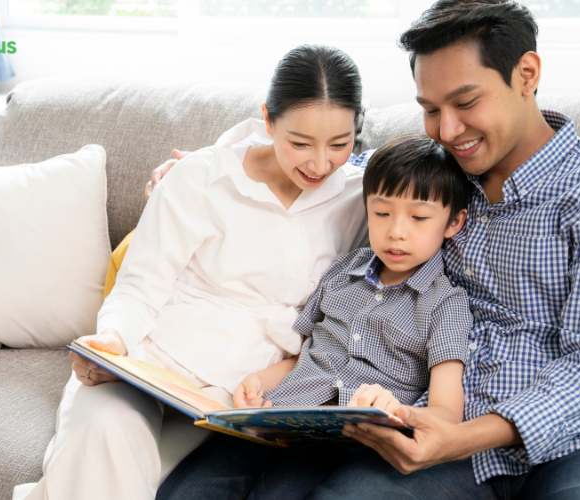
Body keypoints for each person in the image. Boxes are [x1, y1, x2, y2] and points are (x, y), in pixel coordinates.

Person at [148, 1, 580, 498]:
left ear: (526, 74)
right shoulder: (432, 174)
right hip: (438, 437)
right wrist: (203, 173)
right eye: (430, 110)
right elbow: (327, 160)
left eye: (465, 103)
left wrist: (461, 436)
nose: (447, 130)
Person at [11, 44, 372, 500]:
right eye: (299, 143)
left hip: (239, 398)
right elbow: (140, 286)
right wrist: (113, 341)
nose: (320, 164)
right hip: (154, 363)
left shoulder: (365, 200)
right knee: (105, 431)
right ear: (267, 120)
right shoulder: (201, 177)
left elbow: (418, 188)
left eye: (339, 144)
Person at [157, 133, 475, 500]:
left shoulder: (446, 304)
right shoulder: (342, 271)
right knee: (184, 491)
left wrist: (397, 412)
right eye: (382, 213)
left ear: (453, 222)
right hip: (276, 419)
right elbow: (302, 356)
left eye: (419, 218)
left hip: (347, 444)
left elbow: (447, 414)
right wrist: (256, 382)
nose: (396, 232)